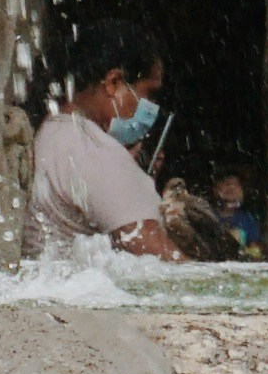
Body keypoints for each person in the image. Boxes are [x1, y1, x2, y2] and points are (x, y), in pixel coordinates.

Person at [30, 15, 179, 257]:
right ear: (113, 83)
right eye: (149, 94)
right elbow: (165, 264)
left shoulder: (56, 132)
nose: (152, 107)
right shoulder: (89, 148)